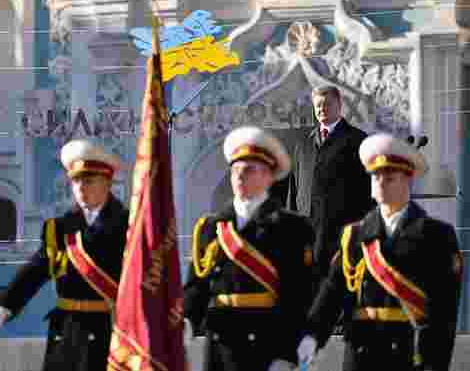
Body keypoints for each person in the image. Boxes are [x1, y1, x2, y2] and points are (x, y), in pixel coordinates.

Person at [297, 133, 462, 371]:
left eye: (390, 177)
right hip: (361, 357)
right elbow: (331, 295)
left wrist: (434, 365)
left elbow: (444, 316)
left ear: (408, 180)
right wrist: (311, 338)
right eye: (376, 176)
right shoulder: (354, 236)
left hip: (409, 356)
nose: (381, 183)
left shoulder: (437, 237)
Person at [0, 139, 129, 371]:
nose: (80, 188)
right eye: (76, 181)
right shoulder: (60, 228)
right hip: (66, 333)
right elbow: (34, 272)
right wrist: (1, 309)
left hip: (110, 332)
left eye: (88, 181)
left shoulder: (129, 226)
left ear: (107, 182)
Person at [184, 126, 315, 371]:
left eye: (249, 170)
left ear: (268, 176)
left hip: (266, 348)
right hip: (220, 349)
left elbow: (298, 297)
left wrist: (287, 354)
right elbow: (197, 287)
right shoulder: (210, 228)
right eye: (235, 170)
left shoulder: (291, 228)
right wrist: (186, 322)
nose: (240, 176)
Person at [289, 86, 373, 283]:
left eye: (327, 104)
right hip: (307, 236)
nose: (322, 109)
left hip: (340, 235)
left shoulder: (357, 141)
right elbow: (294, 190)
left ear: (339, 105)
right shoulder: (302, 144)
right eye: (318, 105)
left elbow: (368, 192)